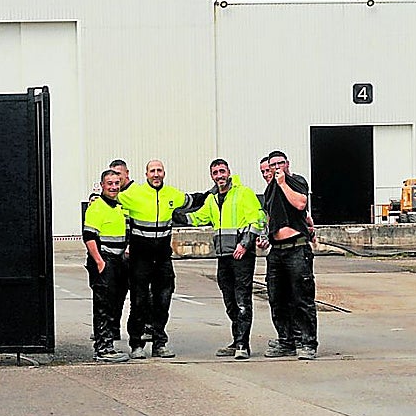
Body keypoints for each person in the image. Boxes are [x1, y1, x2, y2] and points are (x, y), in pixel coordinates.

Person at [185, 159, 264, 359]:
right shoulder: (212, 200)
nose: (219, 176)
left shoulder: (243, 193)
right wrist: (170, 213)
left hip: (241, 255)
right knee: (229, 300)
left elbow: (256, 220)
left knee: (242, 299)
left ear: (229, 172)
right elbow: (196, 218)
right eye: (215, 173)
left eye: (222, 171)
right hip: (223, 256)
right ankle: (236, 339)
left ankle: (243, 346)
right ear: (211, 176)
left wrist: (245, 243)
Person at [118, 159, 194, 359]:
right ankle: (136, 344)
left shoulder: (172, 194)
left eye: (159, 170)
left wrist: (214, 192)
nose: (156, 174)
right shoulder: (134, 194)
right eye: (152, 171)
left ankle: (160, 343)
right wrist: (94, 197)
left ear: (164, 173)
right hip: (140, 259)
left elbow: (193, 201)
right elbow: (110, 198)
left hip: (162, 259)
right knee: (139, 302)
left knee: (163, 301)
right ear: (146, 174)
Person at [262, 150, 318, 360]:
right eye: (271, 165)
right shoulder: (269, 191)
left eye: (280, 163)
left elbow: (300, 204)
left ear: (287, 163)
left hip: (296, 248)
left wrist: (284, 183)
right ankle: (286, 340)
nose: (276, 168)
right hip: (277, 251)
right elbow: (269, 218)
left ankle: (307, 342)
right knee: (277, 298)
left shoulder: (296, 182)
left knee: (301, 298)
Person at [82, 169, 131, 362]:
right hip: (104, 261)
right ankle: (102, 349)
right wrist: (100, 262)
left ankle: (109, 345)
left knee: (114, 306)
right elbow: (89, 236)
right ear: (102, 185)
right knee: (103, 306)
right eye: (109, 183)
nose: (113, 187)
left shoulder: (119, 207)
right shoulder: (96, 207)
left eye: (116, 183)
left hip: (119, 262)